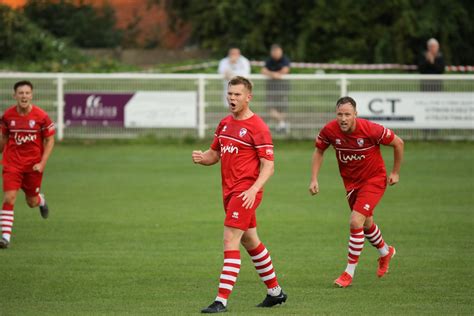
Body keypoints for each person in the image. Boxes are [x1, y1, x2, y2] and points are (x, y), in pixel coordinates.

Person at [192, 76, 287, 313]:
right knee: (250, 240)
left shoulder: (259, 128)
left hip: (245, 192)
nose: (232, 98)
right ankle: (275, 292)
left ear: (248, 97)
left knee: (230, 240)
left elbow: (269, 166)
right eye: (230, 93)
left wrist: (254, 189)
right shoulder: (225, 124)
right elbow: (214, 155)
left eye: (237, 94)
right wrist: (202, 158)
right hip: (229, 191)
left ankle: (220, 301)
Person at [308, 96, 404, 288]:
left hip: (374, 180)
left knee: (355, 220)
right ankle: (385, 252)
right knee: (366, 223)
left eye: (347, 115)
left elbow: (398, 143)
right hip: (351, 184)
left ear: (355, 115)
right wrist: (314, 178)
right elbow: (319, 150)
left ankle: (348, 273)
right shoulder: (329, 130)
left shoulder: (371, 129)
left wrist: (395, 172)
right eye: (340, 114)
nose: (343, 119)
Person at [0, 81, 55, 249]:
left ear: (31, 95)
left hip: (33, 166)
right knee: (9, 197)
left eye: (27, 93)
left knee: (31, 201)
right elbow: (3, 138)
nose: (24, 96)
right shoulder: (7, 116)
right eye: (20, 93)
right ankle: (5, 237)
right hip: (12, 164)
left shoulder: (41, 116)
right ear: (14, 95)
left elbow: (50, 140)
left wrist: (42, 163)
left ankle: (41, 200)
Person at [261, 44, 291, 133]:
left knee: (282, 108)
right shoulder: (269, 61)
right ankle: (282, 124)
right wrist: (273, 75)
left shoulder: (285, 59)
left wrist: (276, 74)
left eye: (278, 51)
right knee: (270, 108)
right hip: (271, 89)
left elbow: (286, 70)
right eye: (274, 51)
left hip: (283, 88)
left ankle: (281, 126)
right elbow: (263, 70)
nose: (276, 53)